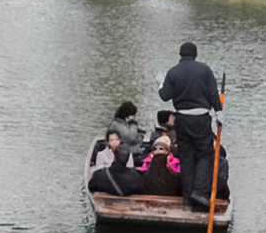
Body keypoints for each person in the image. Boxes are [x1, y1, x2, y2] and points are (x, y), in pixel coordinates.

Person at [158, 40, 221, 211]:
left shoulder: (173, 72)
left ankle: (187, 198)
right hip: (200, 118)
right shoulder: (205, 70)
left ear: (180, 55)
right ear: (195, 54)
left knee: (187, 157)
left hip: (182, 119)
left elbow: (164, 96)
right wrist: (219, 112)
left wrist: (160, 84)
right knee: (205, 154)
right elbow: (213, 93)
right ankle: (200, 193)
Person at [87, 130, 144, 196]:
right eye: (111, 140)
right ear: (108, 142)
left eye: (116, 139)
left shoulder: (127, 155)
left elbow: (130, 167)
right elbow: (99, 170)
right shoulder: (101, 154)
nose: (114, 142)